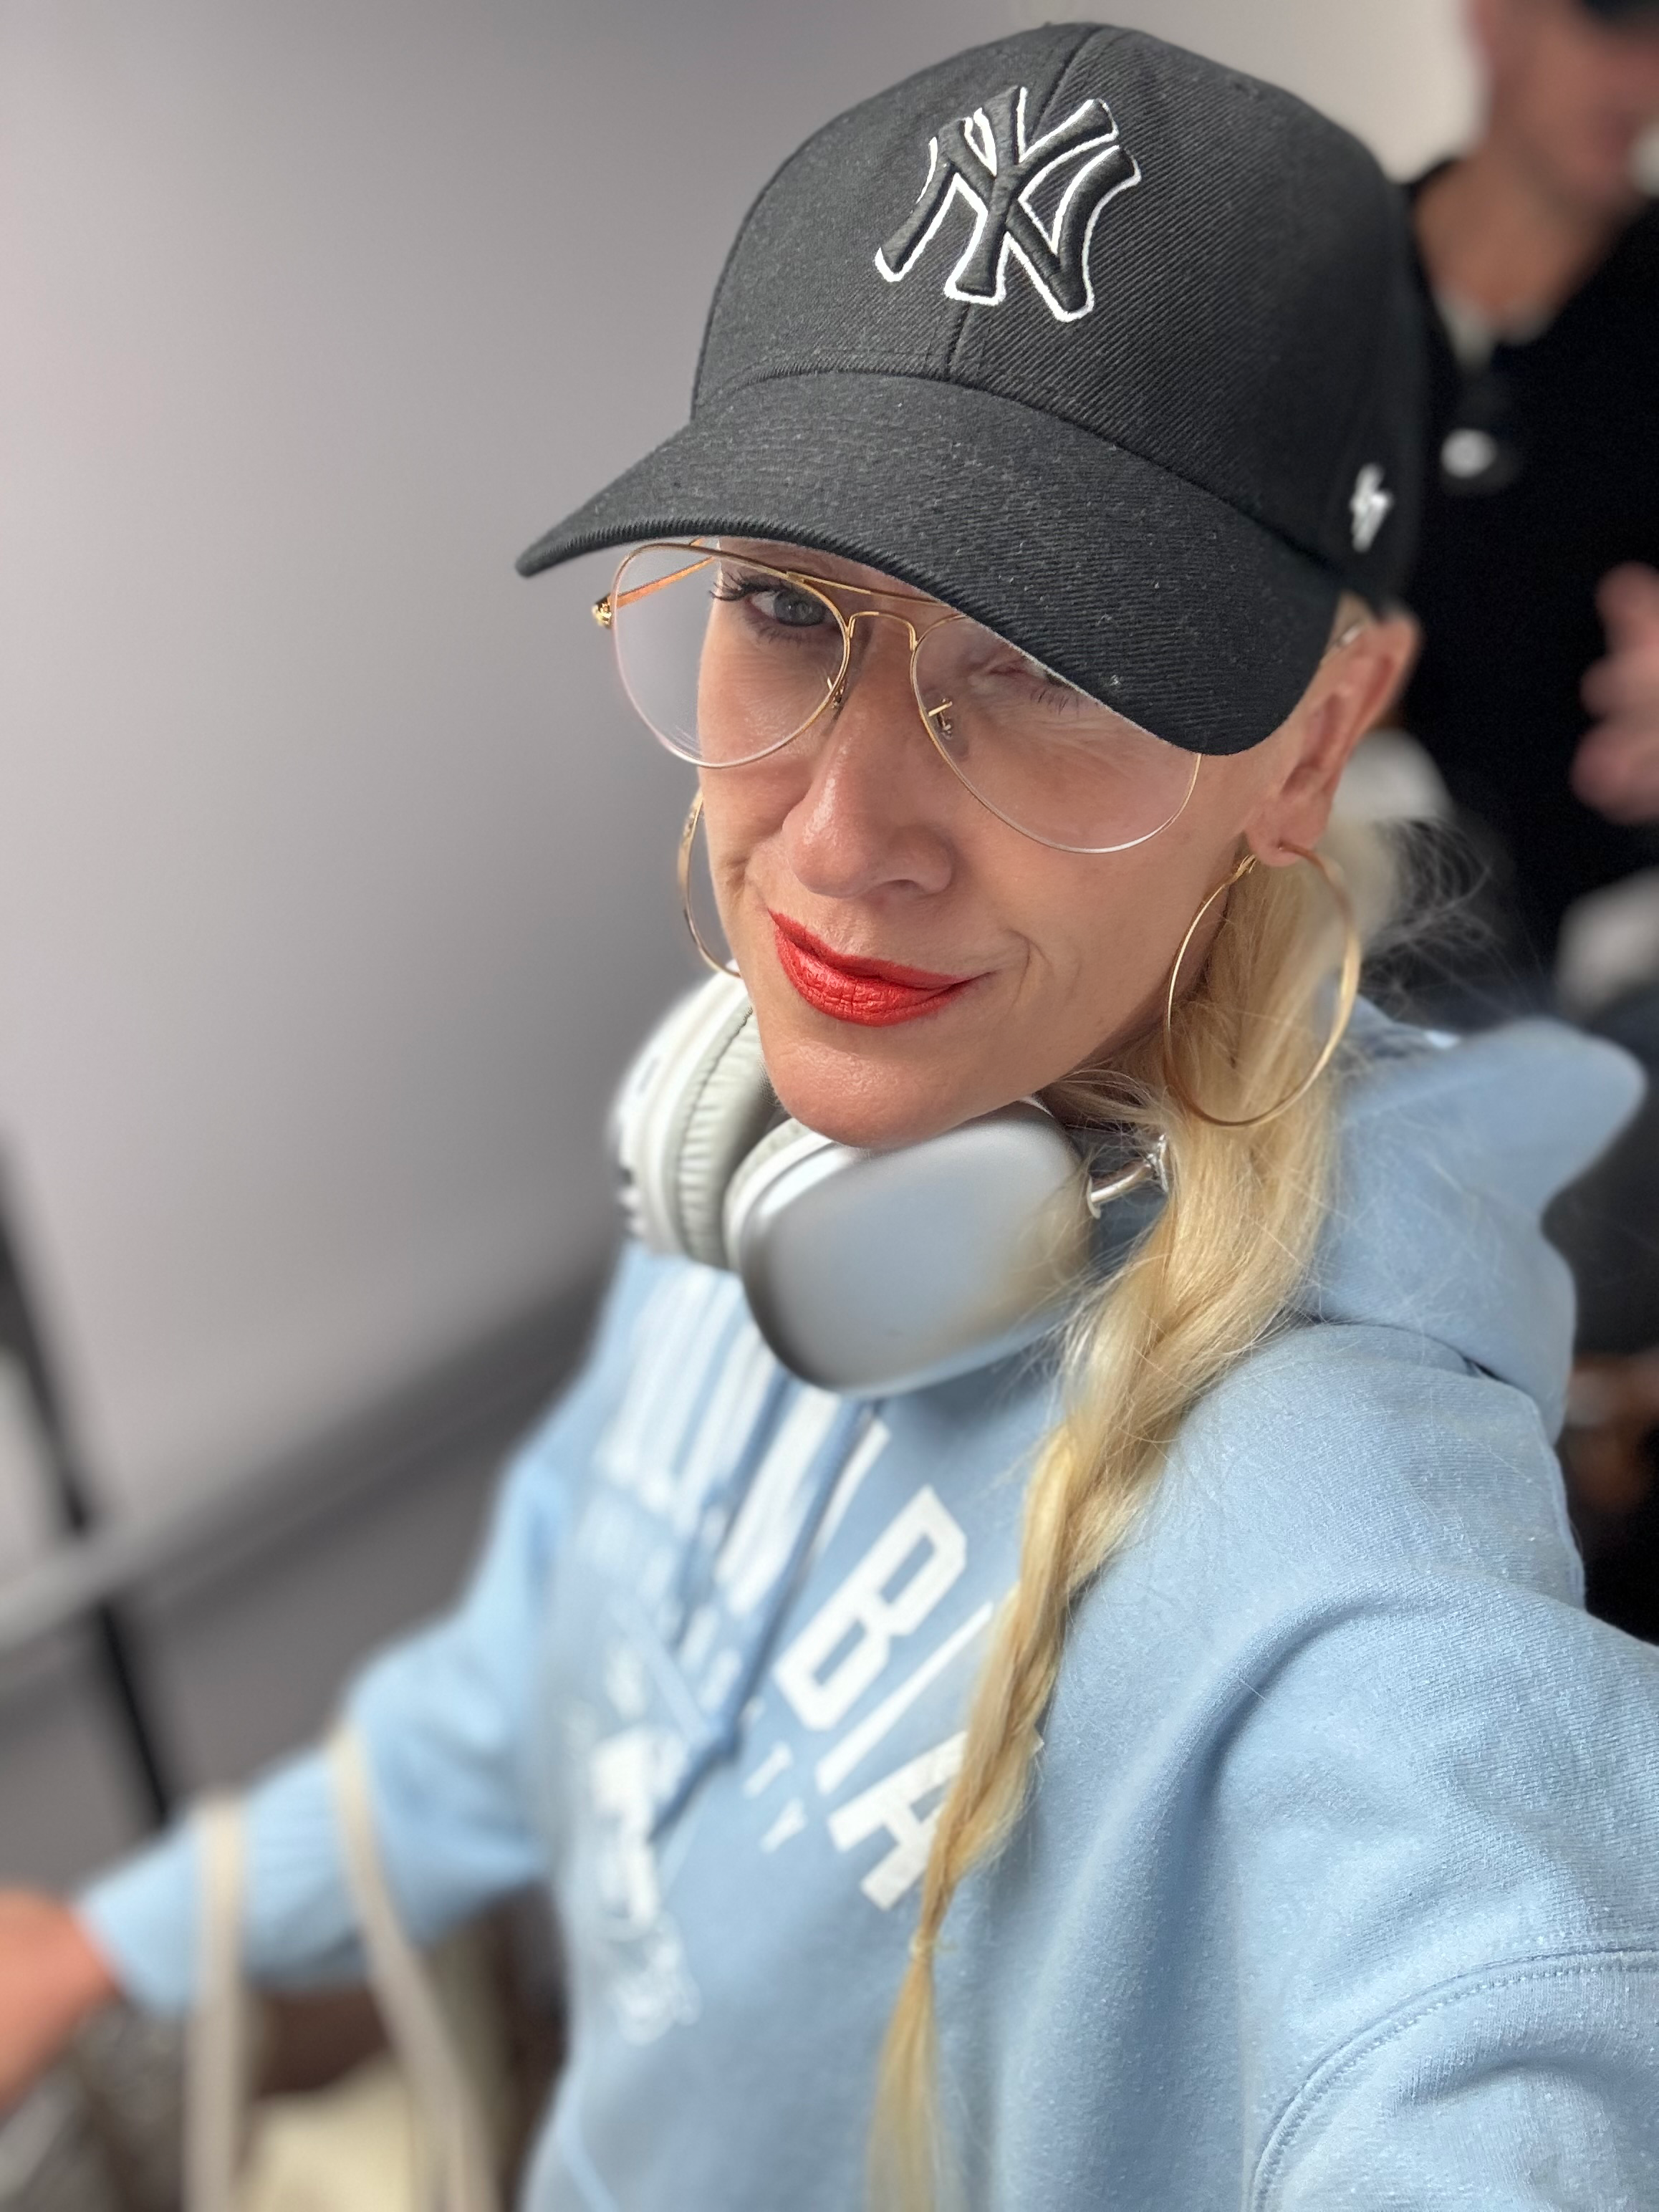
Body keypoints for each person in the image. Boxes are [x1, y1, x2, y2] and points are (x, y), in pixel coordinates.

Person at [6, 24, 1659, 2208]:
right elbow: (524, 1681)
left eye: (1047, 666)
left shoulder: (1338, 1538)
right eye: (786, 606)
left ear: (1312, 736)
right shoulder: (751, 1182)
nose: (845, 836)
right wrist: (101, 1945)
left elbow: (1480, 2013)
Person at [1406, 0, 1659, 973]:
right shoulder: (1324, 285)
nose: (1645, 80)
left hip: (1602, 952)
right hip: (1322, 933)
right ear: (1495, 20)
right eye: (1613, 20)